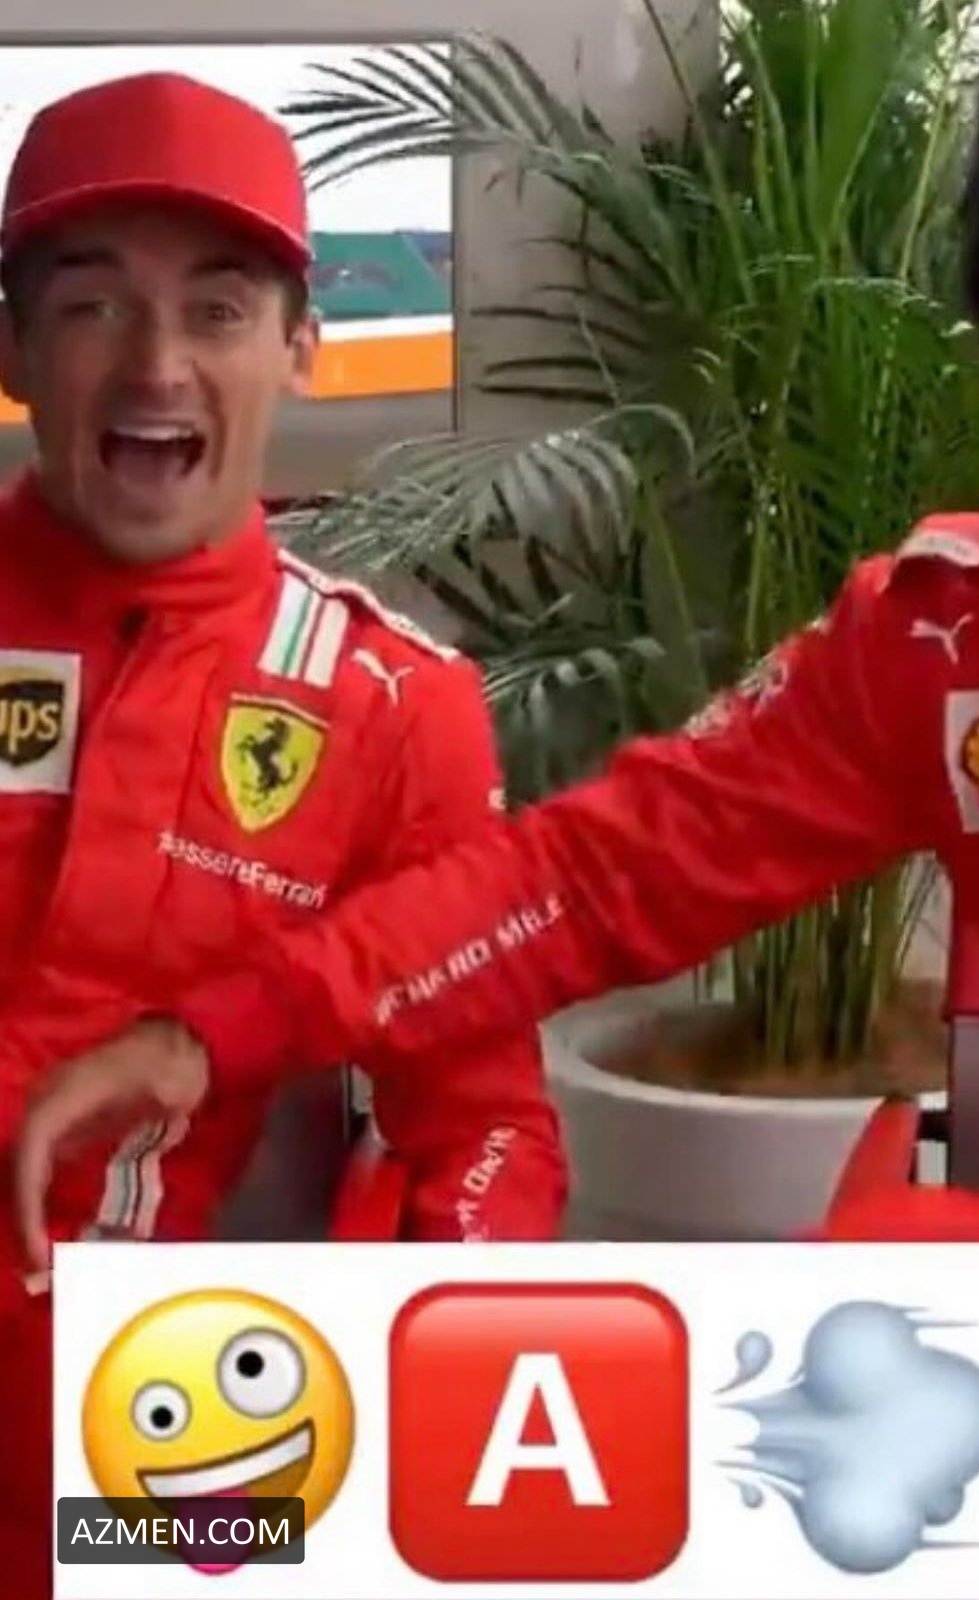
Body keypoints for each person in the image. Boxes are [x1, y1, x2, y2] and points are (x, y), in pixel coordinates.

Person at [18, 23, 979, 1256]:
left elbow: (484, 1122)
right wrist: (216, 1031)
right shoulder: (948, 641)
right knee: (891, 1277)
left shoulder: (380, 693)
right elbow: (590, 880)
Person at [0, 71, 567, 1598]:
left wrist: (438, 1379)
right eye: (92, 306)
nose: (157, 363)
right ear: (14, 351)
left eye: (219, 308)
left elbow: (481, 1122)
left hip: (142, 1458)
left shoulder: (393, 706)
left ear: (300, 347)